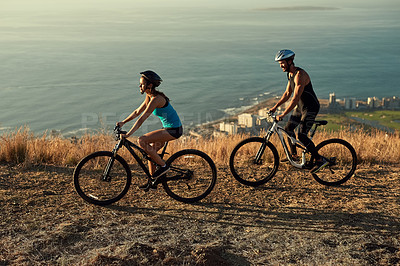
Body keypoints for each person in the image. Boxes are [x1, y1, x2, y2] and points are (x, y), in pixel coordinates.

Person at [116, 70, 183, 188]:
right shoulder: (149, 96)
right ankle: (153, 181)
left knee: (142, 140)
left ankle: (163, 167)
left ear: (150, 85)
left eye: (142, 84)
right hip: (168, 128)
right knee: (150, 152)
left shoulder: (156, 99)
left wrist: (129, 134)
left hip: (174, 130)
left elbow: (142, 119)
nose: (139, 86)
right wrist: (123, 122)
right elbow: (137, 112)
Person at [269, 49, 328, 173]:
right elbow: (287, 93)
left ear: (290, 61)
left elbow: (295, 98)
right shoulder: (290, 74)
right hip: (300, 108)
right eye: (279, 63)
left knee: (301, 135)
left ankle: (320, 160)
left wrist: (283, 114)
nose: (281, 66)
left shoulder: (300, 75)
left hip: (310, 108)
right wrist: (275, 107)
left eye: (282, 63)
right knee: (288, 128)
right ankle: (294, 156)